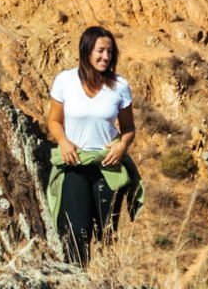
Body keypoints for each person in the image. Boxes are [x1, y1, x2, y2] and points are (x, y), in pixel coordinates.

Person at [46, 25, 143, 266]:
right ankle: (77, 278)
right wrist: (64, 142)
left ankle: (107, 277)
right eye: (101, 51)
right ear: (87, 51)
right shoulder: (65, 81)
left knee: (106, 232)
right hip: (74, 164)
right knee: (76, 230)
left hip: (108, 167)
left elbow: (129, 128)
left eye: (110, 52)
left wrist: (121, 147)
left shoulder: (119, 86)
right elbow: (54, 120)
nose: (106, 57)